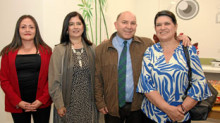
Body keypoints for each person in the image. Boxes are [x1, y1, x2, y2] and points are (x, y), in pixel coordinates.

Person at [95, 11, 191, 123]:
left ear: (136, 26)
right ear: (116, 25)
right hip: (112, 105)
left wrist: (179, 37)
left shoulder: (147, 44)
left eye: (133, 23)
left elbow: (165, 45)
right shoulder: (101, 49)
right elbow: (97, 78)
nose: (129, 27)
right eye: (124, 22)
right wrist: (99, 102)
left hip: (138, 106)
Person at [136, 10, 212, 123]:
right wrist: (168, 109)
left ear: (175, 26)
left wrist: (181, 110)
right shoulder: (150, 51)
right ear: (155, 28)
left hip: (181, 115)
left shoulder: (189, 50)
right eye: (158, 25)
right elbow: (146, 84)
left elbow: (199, 83)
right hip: (152, 115)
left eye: (167, 23)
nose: (162, 27)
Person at [0, 15, 52, 123]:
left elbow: (52, 78)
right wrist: (18, 102)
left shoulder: (47, 51)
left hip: (41, 103)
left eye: (31, 27)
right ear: (18, 30)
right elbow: (4, 80)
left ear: (36, 30)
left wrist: (41, 100)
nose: (27, 30)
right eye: (23, 27)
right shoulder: (7, 52)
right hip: (18, 104)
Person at [48, 11, 98, 123]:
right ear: (67, 28)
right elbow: (54, 81)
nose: (75, 27)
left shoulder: (92, 48)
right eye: (71, 24)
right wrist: (59, 104)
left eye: (78, 23)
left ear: (83, 27)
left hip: (89, 105)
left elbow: (98, 76)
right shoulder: (59, 50)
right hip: (67, 105)